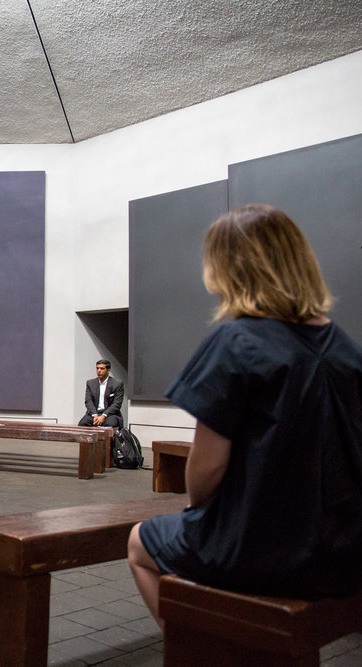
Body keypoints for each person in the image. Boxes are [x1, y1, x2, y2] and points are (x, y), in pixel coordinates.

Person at [127, 204, 362, 628]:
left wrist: (200, 508)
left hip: (265, 552)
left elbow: (206, 471)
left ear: (228, 269)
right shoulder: (344, 348)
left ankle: (197, 652)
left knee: (139, 543)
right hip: (347, 552)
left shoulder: (235, 340)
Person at [77, 359, 124, 428]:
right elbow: (88, 401)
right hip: (94, 413)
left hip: (110, 414)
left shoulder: (117, 384)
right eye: (97, 368)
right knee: (83, 423)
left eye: (102, 368)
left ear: (108, 370)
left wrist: (104, 415)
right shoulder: (90, 383)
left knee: (110, 424)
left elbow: (117, 404)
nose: (99, 371)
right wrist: (95, 415)